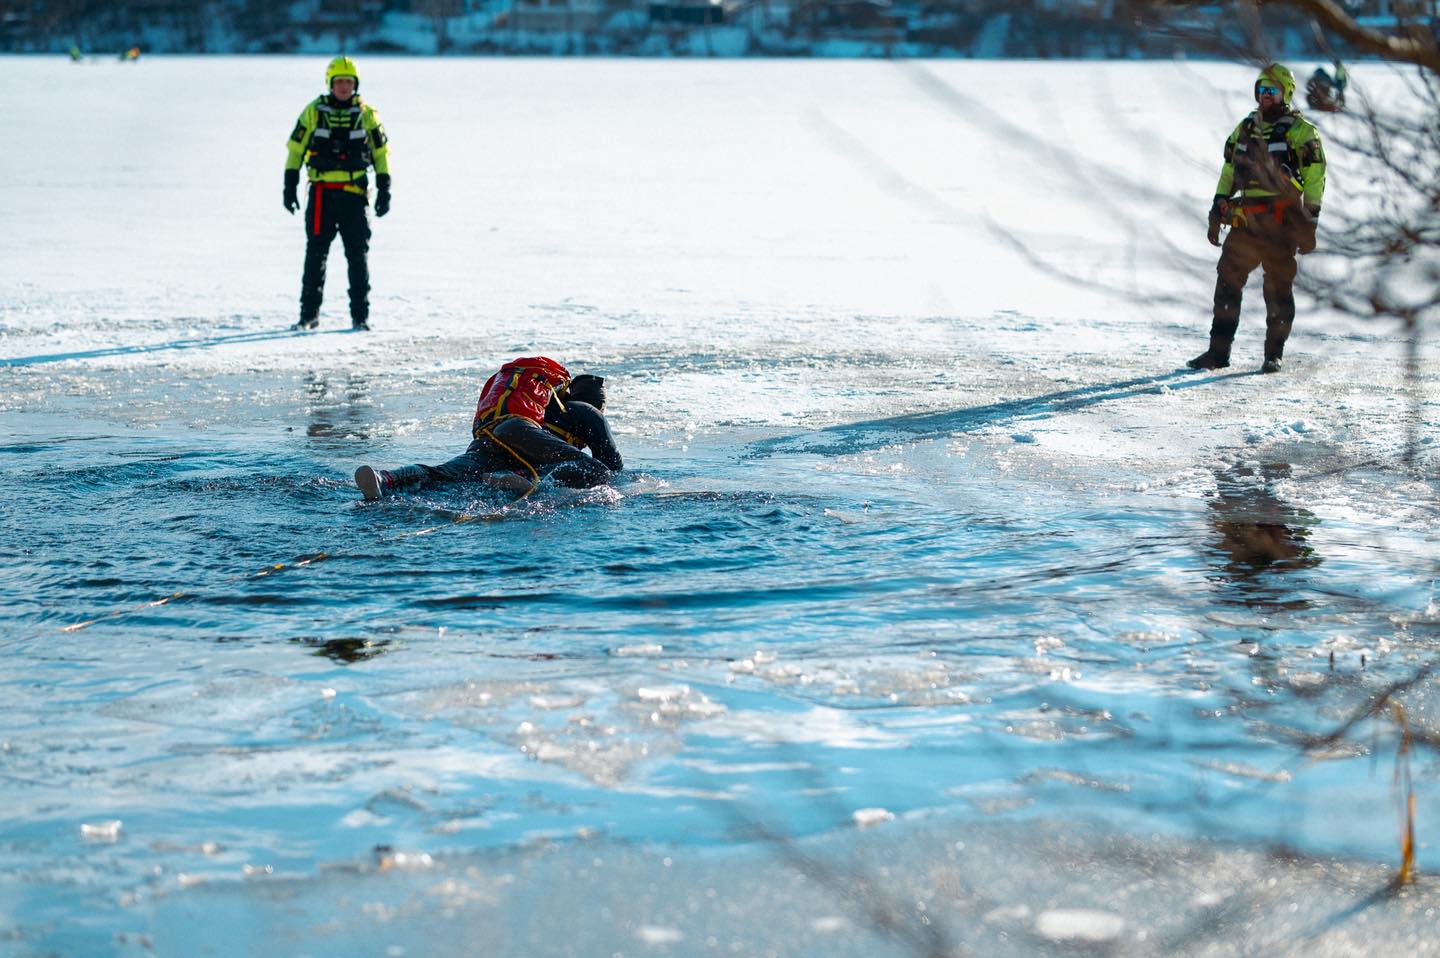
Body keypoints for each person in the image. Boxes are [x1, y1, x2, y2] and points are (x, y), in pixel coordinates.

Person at [1190, 63, 1326, 374]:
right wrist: (1217, 206)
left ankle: (1273, 355)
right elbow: (1228, 172)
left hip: (1281, 224)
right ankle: (1218, 353)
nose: (1265, 95)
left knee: (1277, 289)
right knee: (1227, 281)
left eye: (1272, 90)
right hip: (1246, 222)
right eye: (1262, 89)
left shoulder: (1302, 131)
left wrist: (1310, 220)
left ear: (1286, 93)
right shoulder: (1245, 129)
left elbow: (1315, 176)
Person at [353, 358, 621, 501]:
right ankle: (525, 482)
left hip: (492, 436)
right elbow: (612, 466)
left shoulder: (545, 405)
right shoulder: (588, 412)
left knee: (445, 475)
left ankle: (385, 479)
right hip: (520, 431)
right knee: (599, 473)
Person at [284, 55, 391, 331]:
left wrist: (384, 189)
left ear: (355, 84)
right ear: (330, 83)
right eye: (339, 81)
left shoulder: (367, 115)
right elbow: (295, 149)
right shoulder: (313, 112)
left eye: (348, 81)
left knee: (357, 255)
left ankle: (360, 317)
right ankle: (308, 316)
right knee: (315, 255)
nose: (344, 86)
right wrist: (290, 183)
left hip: (354, 196)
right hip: (321, 197)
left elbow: (381, 154)